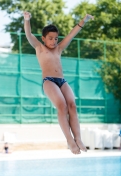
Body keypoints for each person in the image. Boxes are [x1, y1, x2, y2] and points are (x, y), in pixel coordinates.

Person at [23, 11, 94, 154]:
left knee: (72, 105)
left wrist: (84, 20)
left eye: (56, 38)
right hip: (49, 81)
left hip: (62, 81)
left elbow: (71, 35)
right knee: (62, 106)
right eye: (50, 38)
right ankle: (69, 140)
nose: (54, 41)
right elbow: (29, 35)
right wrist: (27, 19)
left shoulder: (59, 48)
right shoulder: (39, 48)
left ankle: (78, 138)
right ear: (43, 38)